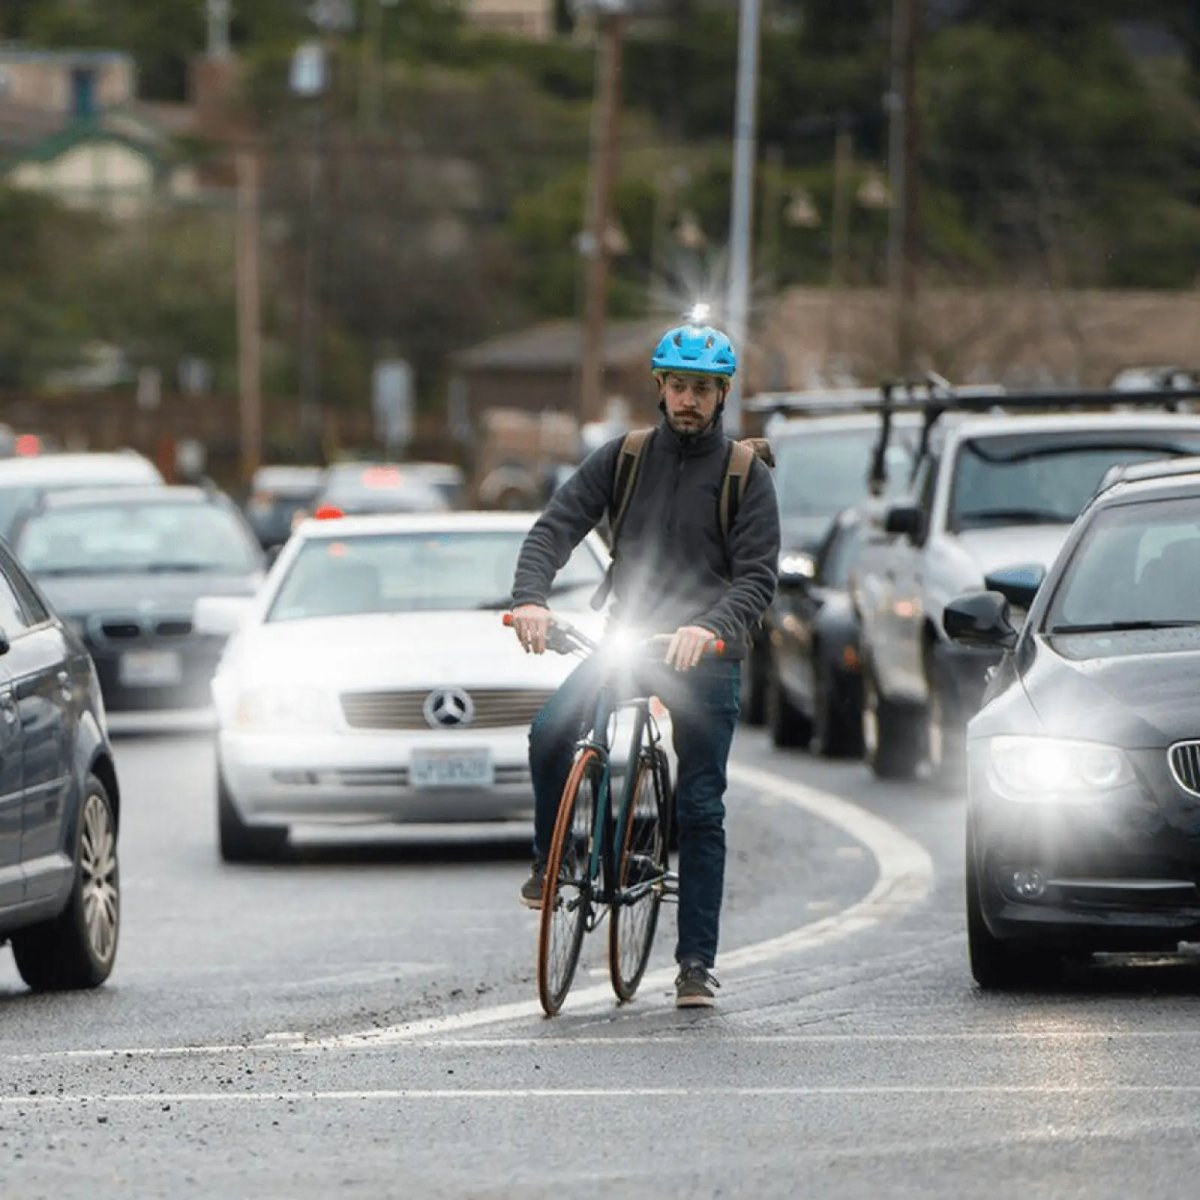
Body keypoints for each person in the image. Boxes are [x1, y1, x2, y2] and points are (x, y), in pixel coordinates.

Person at [508, 320, 780, 1008]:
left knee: (699, 807)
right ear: (660, 387)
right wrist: (531, 600)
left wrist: (709, 629)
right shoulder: (623, 457)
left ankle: (695, 965)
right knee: (548, 733)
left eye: (704, 390)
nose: (689, 400)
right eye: (679, 386)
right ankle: (552, 857)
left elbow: (758, 578)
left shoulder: (745, 476)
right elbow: (554, 527)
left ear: (722, 397)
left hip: (703, 654)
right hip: (627, 639)